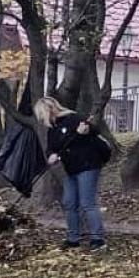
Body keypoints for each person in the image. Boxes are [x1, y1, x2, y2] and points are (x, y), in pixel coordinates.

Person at [34, 96, 112, 250]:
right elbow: (52, 148)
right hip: (71, 169)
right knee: (69, 202)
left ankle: (98, 239)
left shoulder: (73, 118)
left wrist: (86, 130)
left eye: (42, 114)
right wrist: (51, 155)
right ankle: (73, 238)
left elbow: (94, 130)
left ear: (49, 109)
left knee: (87, 202)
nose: (42, 118)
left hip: (88, 164)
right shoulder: (53, 129)